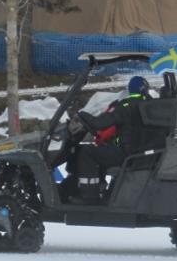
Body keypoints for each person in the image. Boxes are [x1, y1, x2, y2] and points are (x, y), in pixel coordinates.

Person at [68, 75, 164, 203]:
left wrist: (82, 115)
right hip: (142, 153)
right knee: (102, 148)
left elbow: (99, 123)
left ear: (131, 88)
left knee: (87, 152)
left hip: (127, 153)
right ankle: (99, 186)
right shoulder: (152, 105)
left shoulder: (127, 105)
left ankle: (89, 196)